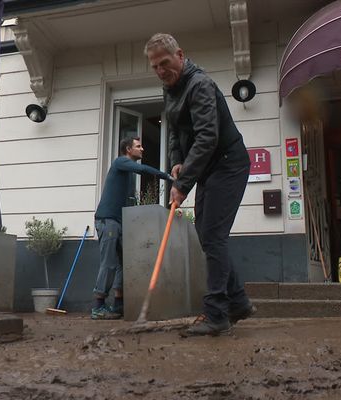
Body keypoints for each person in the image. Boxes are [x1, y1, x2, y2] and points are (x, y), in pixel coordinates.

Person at [145, 33, 256, 336]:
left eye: (164, 63)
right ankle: (239, 303)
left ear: (179, 55)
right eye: (154, 66)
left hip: (228, 164)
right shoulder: (170, 88)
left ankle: (217, 313)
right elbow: (173, 131)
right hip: (208, 168)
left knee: (212, 235)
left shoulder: (200, 85)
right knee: (206, 234)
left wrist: (183, 184)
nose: (160, 70)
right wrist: (176, 162)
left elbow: (208, 137)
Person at [92, 136, 173, 319]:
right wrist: (168, 177)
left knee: (123, 264)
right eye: (138, 146)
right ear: (128, 149)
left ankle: (118, 304)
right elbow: (143, 169)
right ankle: (98, 306)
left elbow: (130, 202)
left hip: (120, 221)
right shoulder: (121, 162)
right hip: (108, 220)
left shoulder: (127, 175)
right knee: (109, 263)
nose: (142, 149)